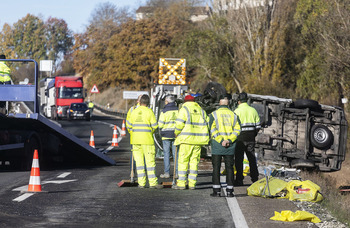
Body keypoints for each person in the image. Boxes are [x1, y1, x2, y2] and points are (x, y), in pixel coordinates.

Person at [173, 94, 210, 190]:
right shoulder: (201, 111)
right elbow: (208, 122)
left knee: (183, 161)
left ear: (185, 102)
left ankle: (181, 183)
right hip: (198, 141)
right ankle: (192, 184)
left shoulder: (184, 109)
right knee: (194, 162)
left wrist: (176, 133)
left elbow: (179, 124)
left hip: (186, 140)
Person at [209, 94, 241, 197]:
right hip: (230, 146)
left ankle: (216, 191)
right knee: (230, 168)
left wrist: (220, 140)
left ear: (219, 103)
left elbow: (212, 129)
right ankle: (230, 191)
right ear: (228, 103)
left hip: (217, 145)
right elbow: (238, 130)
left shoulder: (214, 114)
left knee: (216, 168)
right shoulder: (234, 115)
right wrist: (229, 140)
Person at [128, 94, 162, 189]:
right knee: (150, 163)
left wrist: (134, 133)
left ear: (140, 102)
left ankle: (141, 183)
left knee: (139, 163)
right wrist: (150, 131)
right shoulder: (149, 112)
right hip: (147, 141)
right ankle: (152, 183)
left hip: (135, 141)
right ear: (148, 103)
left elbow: (129, 126)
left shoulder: (134, 112)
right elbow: (155, 126)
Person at [234, 92, 261, 186]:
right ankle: (255, 178)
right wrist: (253, 134)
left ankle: (239, 180)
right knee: (252, 158)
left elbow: (233, 126)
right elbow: (258, 126)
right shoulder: (253, 110)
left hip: (240, 139)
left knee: (239, 159)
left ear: (239, 101)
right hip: (251, 138)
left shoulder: (236, 111)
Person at [158, 95, 178, 178]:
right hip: (176, 134)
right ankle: (176, 173)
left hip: (166, 135)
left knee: (166, 154)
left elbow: (160, 124)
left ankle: (167, 173)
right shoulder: (178, 110)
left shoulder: (164, 111)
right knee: (175, 154)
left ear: (167, 101)